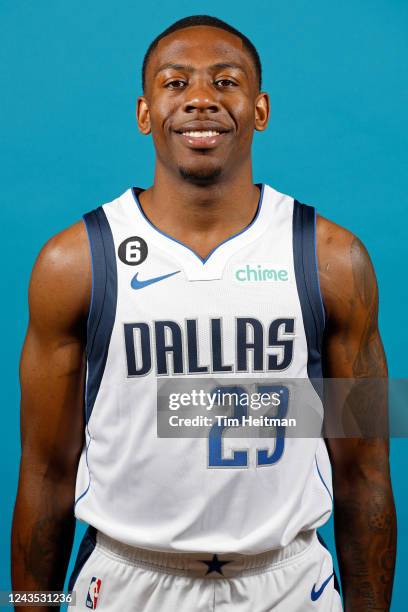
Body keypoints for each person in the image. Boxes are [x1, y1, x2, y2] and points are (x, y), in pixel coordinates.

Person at [12, 14, 396, 612]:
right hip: (126, 579)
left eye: (224, 82)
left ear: (260, 109)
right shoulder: (73, 263)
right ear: (144, 114)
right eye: (175, 83)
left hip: (289, 582)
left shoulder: (336, 261)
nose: (199, 100)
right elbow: (44, 471)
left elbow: (367, 469)